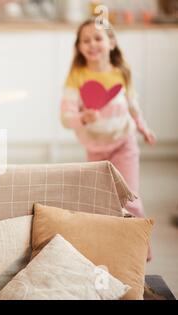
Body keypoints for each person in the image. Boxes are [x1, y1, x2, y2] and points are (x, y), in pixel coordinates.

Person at [60, 19, 156, 260]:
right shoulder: (77, 76)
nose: (92, 44)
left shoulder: (121, 72)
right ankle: (111, 251)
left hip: (124, 143)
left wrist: (143, 128)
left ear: (111, 42)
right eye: (85, 40)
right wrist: (82, 117)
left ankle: (140, 251)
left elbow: (133, 107)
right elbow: (65, 117)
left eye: (98, 38)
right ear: (79, 47)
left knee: (130, 198)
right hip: (96, 149)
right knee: (101, 203)